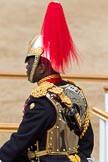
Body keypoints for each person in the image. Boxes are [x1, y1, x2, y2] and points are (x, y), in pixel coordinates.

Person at [0, 2, 94, 162]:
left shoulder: (42, 101)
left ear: (42, 67)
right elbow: (86, 143)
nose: (27, 66)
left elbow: (19, 143)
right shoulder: (75, 92)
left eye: (29, 61)